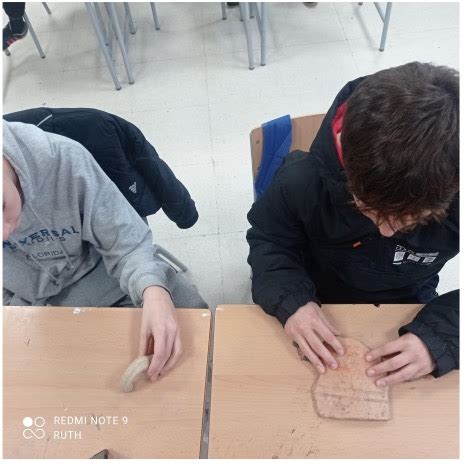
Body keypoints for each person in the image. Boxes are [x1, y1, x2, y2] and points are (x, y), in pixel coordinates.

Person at [247, 62, 459, 386]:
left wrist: (442, 336)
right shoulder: (301, 181)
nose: (386, 232)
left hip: (408, 308)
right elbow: (270, 238)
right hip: (316, 296)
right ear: (347, 170)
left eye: (411, 220)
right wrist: (292, 301)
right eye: (367, 208)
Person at [3, 120, 207, 381]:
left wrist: (154, 293)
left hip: (112, 278)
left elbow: (128, 243)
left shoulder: (66, 161)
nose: (5, 233)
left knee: (195, 334)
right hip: (35, 304)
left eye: (2, 206)